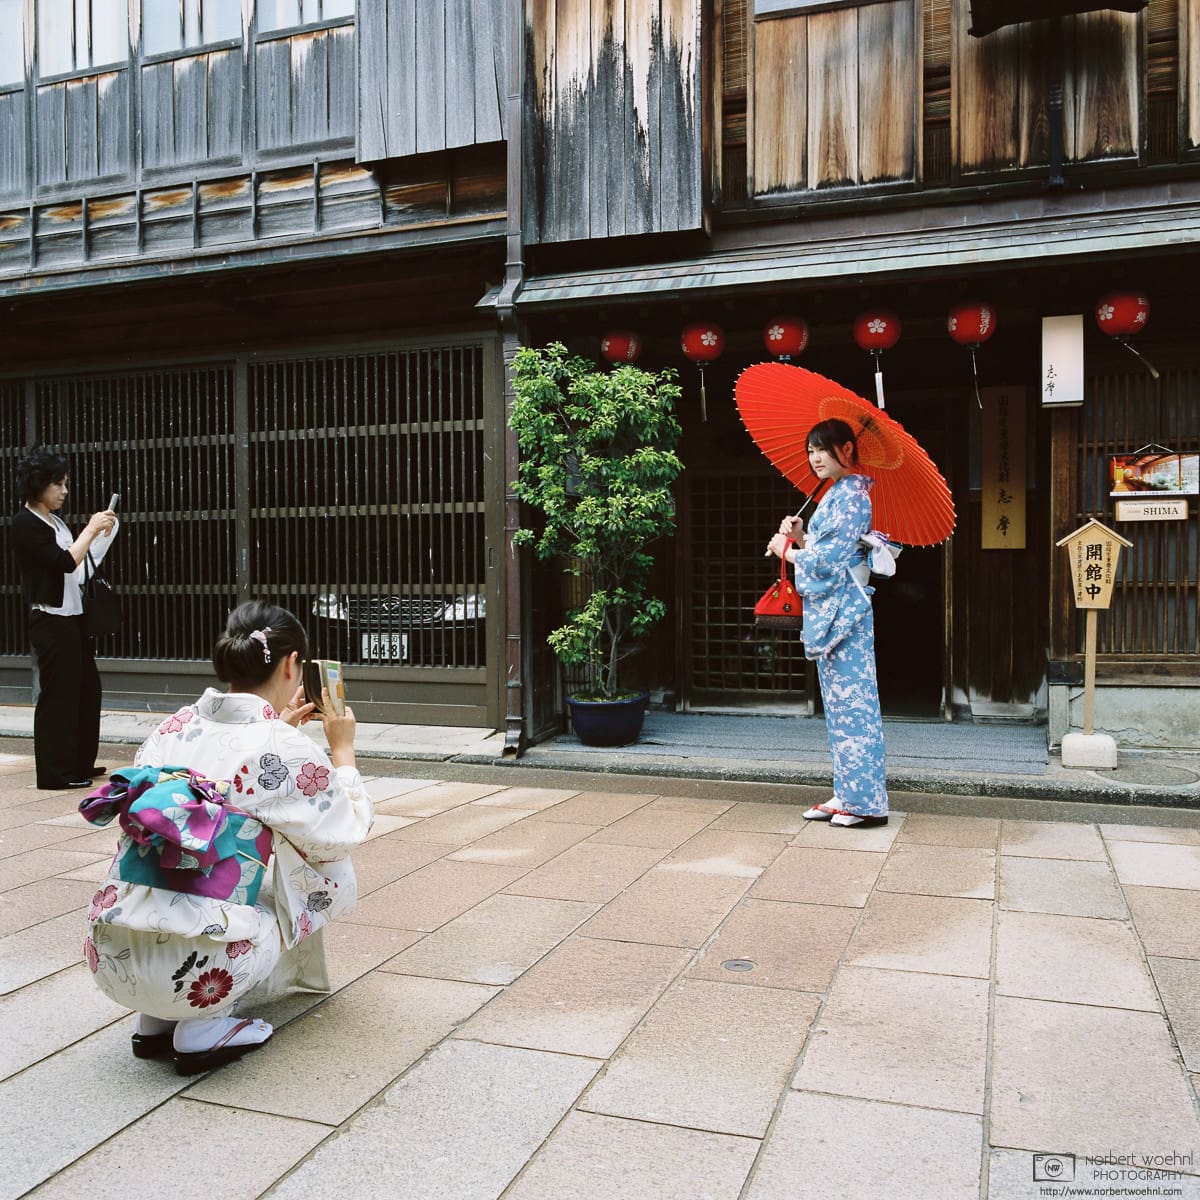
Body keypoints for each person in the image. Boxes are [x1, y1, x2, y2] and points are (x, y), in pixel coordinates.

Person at [80, 600, 374, 1074]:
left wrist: (280, 732)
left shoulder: (172, 725)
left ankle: (154, 1021)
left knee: (180, 868)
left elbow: (228, 761)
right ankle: (203, 1027)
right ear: (292, 664)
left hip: (110, 956)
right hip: (200, 972)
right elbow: (342, 832)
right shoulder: (282, 745)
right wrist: (342, 749)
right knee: (329, 877)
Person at [766, 418, 889, 828]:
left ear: (847, 449)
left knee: (856, 706)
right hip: (837, 610)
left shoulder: (853, 495)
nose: (815, 458)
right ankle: (847, 793)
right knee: (839, 706)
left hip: (847, 611)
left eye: (822, 449)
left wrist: (789, 551)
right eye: (811, 451)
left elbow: (830, 561)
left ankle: (867, 803)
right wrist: (801, 537)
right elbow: (824, 549)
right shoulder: (836, 495)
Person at [11, 446, 118, 790]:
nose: (64, 491)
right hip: (50, 620)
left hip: (72, 617)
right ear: (38, 484)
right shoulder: (25, 523)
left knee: (87, 691)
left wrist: (103, 534)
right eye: (58, 484)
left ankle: (78, 763)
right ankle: (54, 773)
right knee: (58, 696)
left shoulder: (54, 521)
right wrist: (88, 529)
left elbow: (81, 568)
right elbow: (65, 563)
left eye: (65, 483)